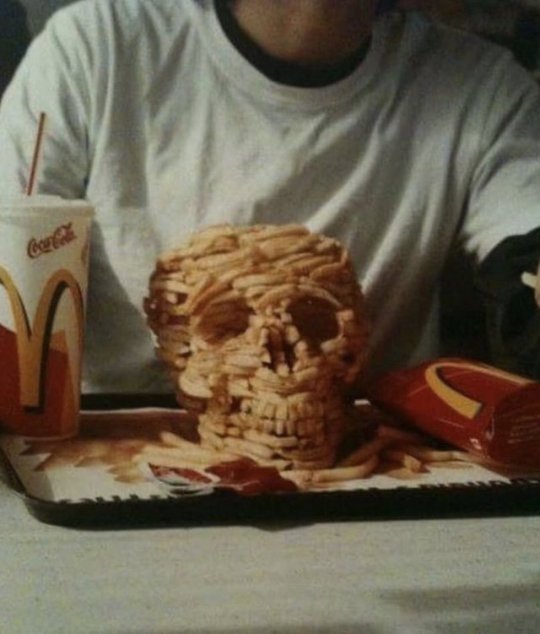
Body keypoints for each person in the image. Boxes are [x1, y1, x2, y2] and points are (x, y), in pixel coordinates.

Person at [0, 0, 539, 396]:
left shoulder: (485, 91)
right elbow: (14, 260)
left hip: (362, 473)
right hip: (112, 458)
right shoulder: (96, 50)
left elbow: (526, 263)